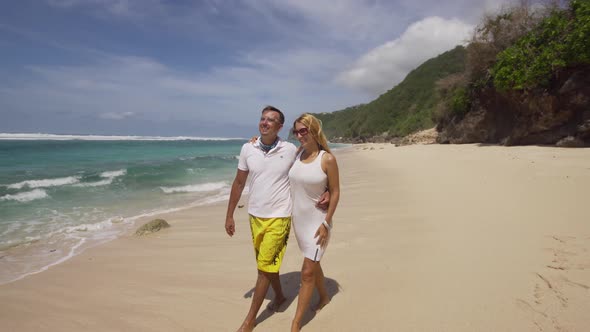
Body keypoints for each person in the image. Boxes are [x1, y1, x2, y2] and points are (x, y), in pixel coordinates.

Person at [226, 106, 329, 332]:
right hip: (255, 215)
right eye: (262, 118)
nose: (265, 122)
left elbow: (318, 159)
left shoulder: (290, 148)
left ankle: (250, 320)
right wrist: (230, 214)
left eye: (271, 120)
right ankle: (280, 296)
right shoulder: (247, 148)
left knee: (264, 269)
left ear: (280, 127)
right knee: (265, 264)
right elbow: (239, 182)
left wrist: (329, 189)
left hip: (280, 216)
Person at [288, 113, 340, 332]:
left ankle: (296, 324)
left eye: (304, 130)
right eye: (297, 131)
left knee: (307, 272)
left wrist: (327, 223)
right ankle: (325, 297)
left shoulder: (327, 159)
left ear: (314, 130)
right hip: (299, 222)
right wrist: (256, 141)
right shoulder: (297, 154)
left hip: (318, 223)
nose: (300, 135)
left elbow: (336, 192)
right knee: (313, 263)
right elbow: (274, 151)